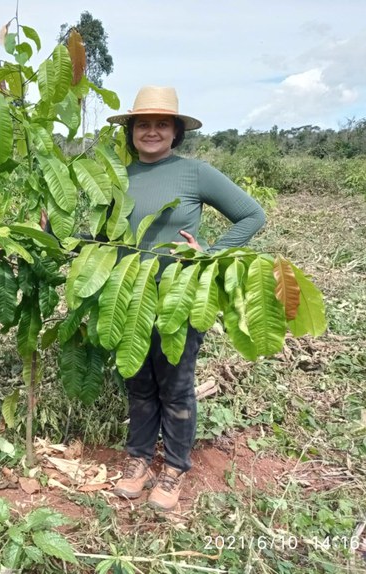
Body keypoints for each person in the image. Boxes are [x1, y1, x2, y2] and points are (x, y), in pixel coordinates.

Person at [106, 86, 266, 511]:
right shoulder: (116, 177)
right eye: (144, 124)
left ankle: (174, 467)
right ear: (131, 131)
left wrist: (210, 253)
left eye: (162, 124)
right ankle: (139, 460)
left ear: (176, 131)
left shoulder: (195, 172)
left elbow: (252, 214)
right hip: (127, 296)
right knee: (138, 385)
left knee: (176, 387)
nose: (152, 131)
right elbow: (98, 237)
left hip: (180, 296)